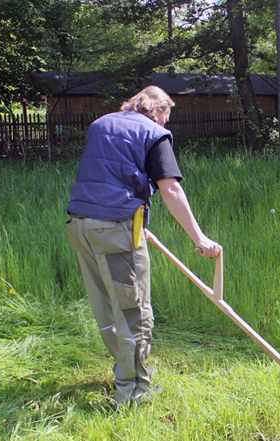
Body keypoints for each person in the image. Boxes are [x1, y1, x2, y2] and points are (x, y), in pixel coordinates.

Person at [65, 85, 222, 407]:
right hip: (114, 230)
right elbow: (171, 190)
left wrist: (138, 225)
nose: (166, 124)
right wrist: (200, 239)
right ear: (160, 110)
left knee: (108, 310)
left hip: (81, 224)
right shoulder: (153, 133)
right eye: (167, 116)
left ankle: (126, 372)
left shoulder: (101, 124)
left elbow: (111, 174)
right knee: (134, 313)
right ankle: (133, 394)